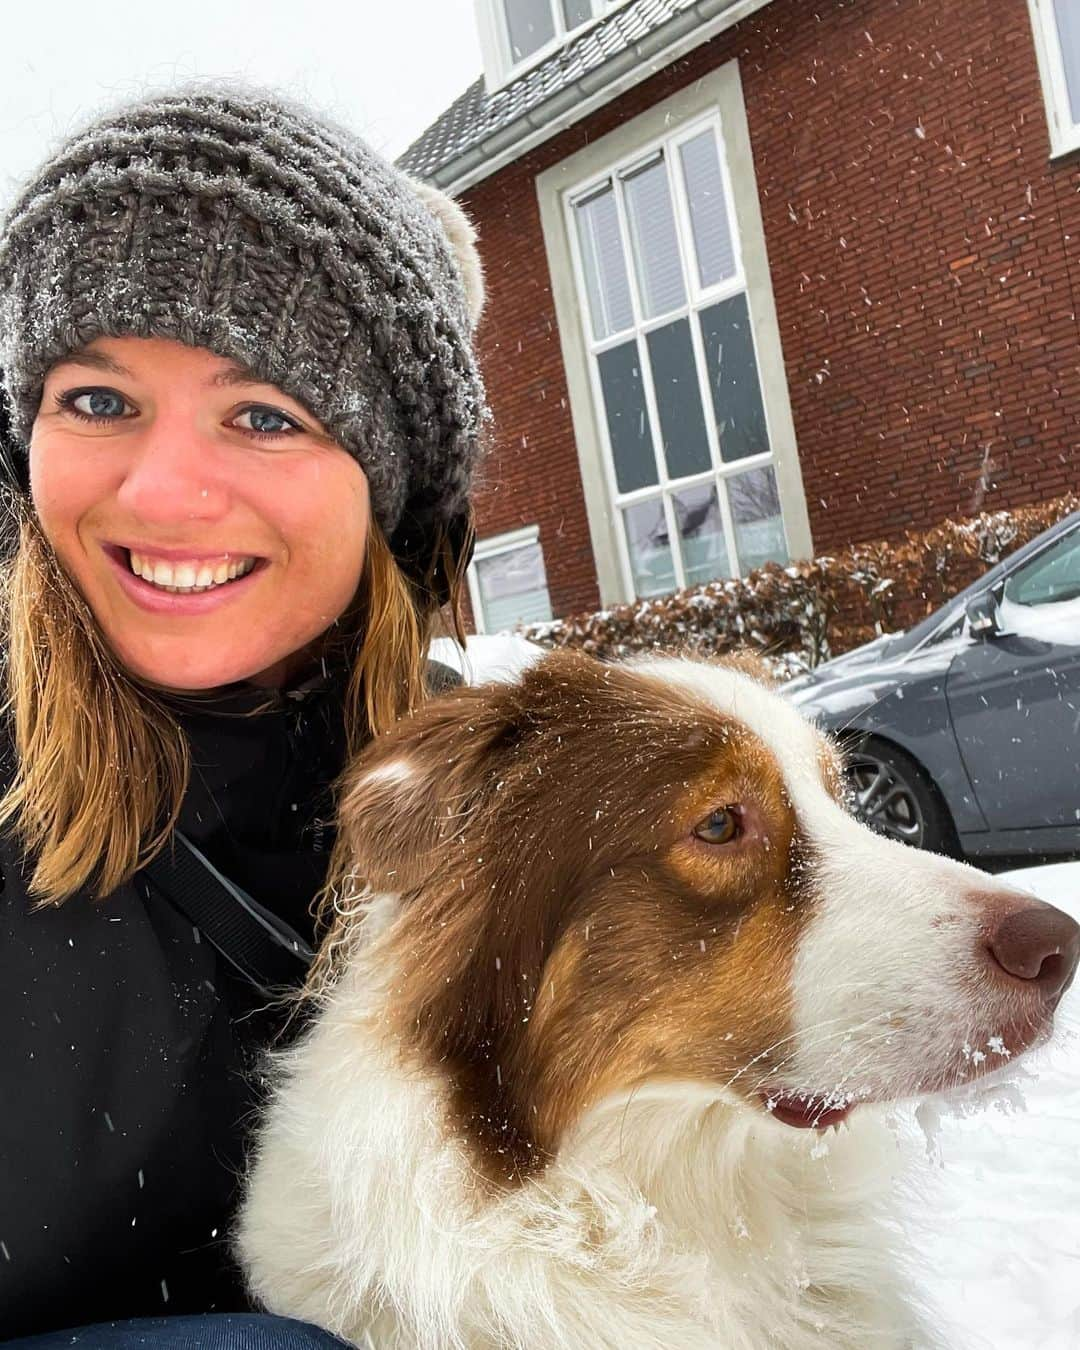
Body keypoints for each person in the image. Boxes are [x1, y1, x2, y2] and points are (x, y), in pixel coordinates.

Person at [0, 85, 486, 1347]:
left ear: (385, 487)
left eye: (264, 415)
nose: (162, 490)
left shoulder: (501, 799)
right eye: (98, 402)